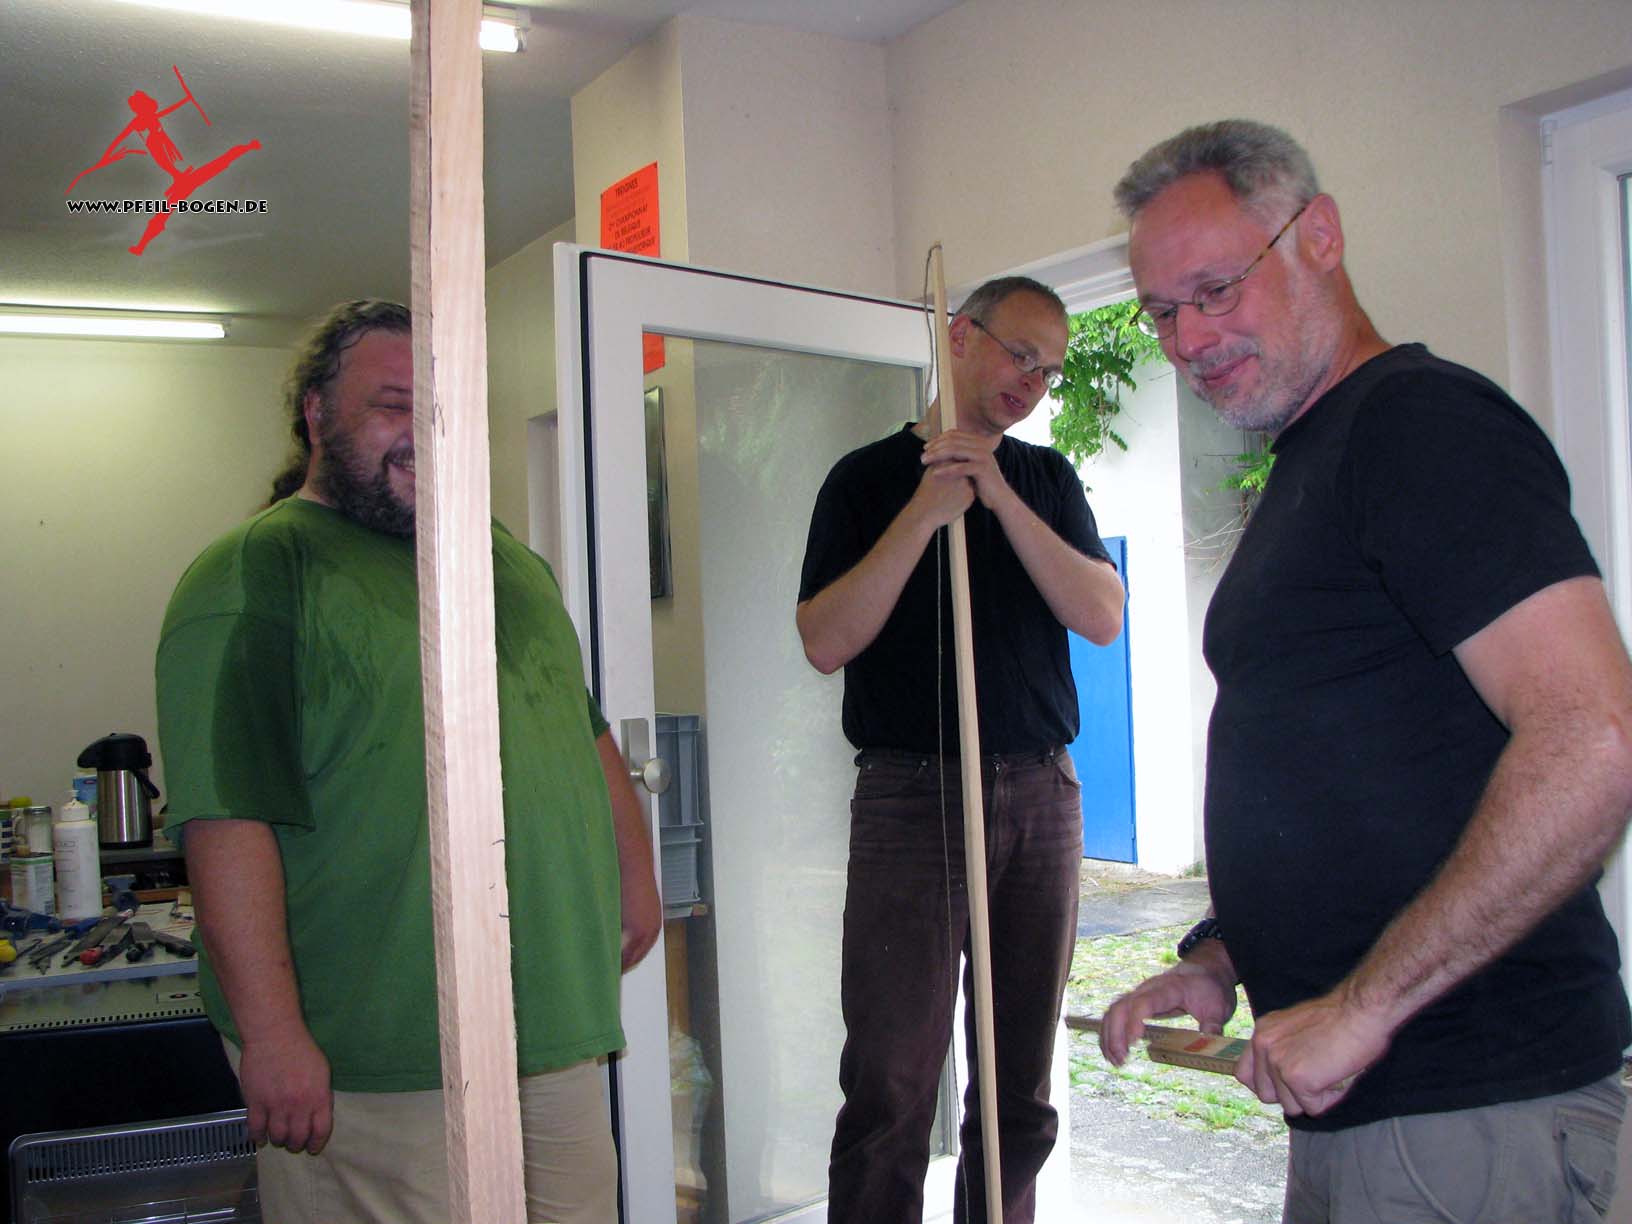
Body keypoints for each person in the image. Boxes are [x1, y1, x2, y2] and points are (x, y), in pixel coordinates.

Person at [1099, 119, 1632, 1222]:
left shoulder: (1419, 425)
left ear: (1320, 236)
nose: (1190, 338)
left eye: (1216, 289)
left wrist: (1363, 1009)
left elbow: (1596, 736)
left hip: (1469, 1105)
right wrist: (1224, 957)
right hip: (1372, 1111)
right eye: (1162, 311)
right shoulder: (1320, 455)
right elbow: (1372, 776)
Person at [154, 299, 661, 1224]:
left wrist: (636, 877)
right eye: (394, 405)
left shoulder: (506, 562)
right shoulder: (257, 571)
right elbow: (226, 817)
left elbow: (578, 730)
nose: (422, 433)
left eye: (442, 409)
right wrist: (272, 1033)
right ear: (316, 413)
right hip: (374, 1050)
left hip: (549, 1024)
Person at [797, 276, 1126, 1222]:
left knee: (1019, 1075)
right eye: (1020, 353)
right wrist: (926, 512)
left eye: (1049, 369)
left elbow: (1102, 615)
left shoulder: (1047, 480)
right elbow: (825, 640)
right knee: (891, 1076)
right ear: (960, 335)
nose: (1033, 380)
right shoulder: (864, 480)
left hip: (1040, 791)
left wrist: (999, 496)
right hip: (911, 798)